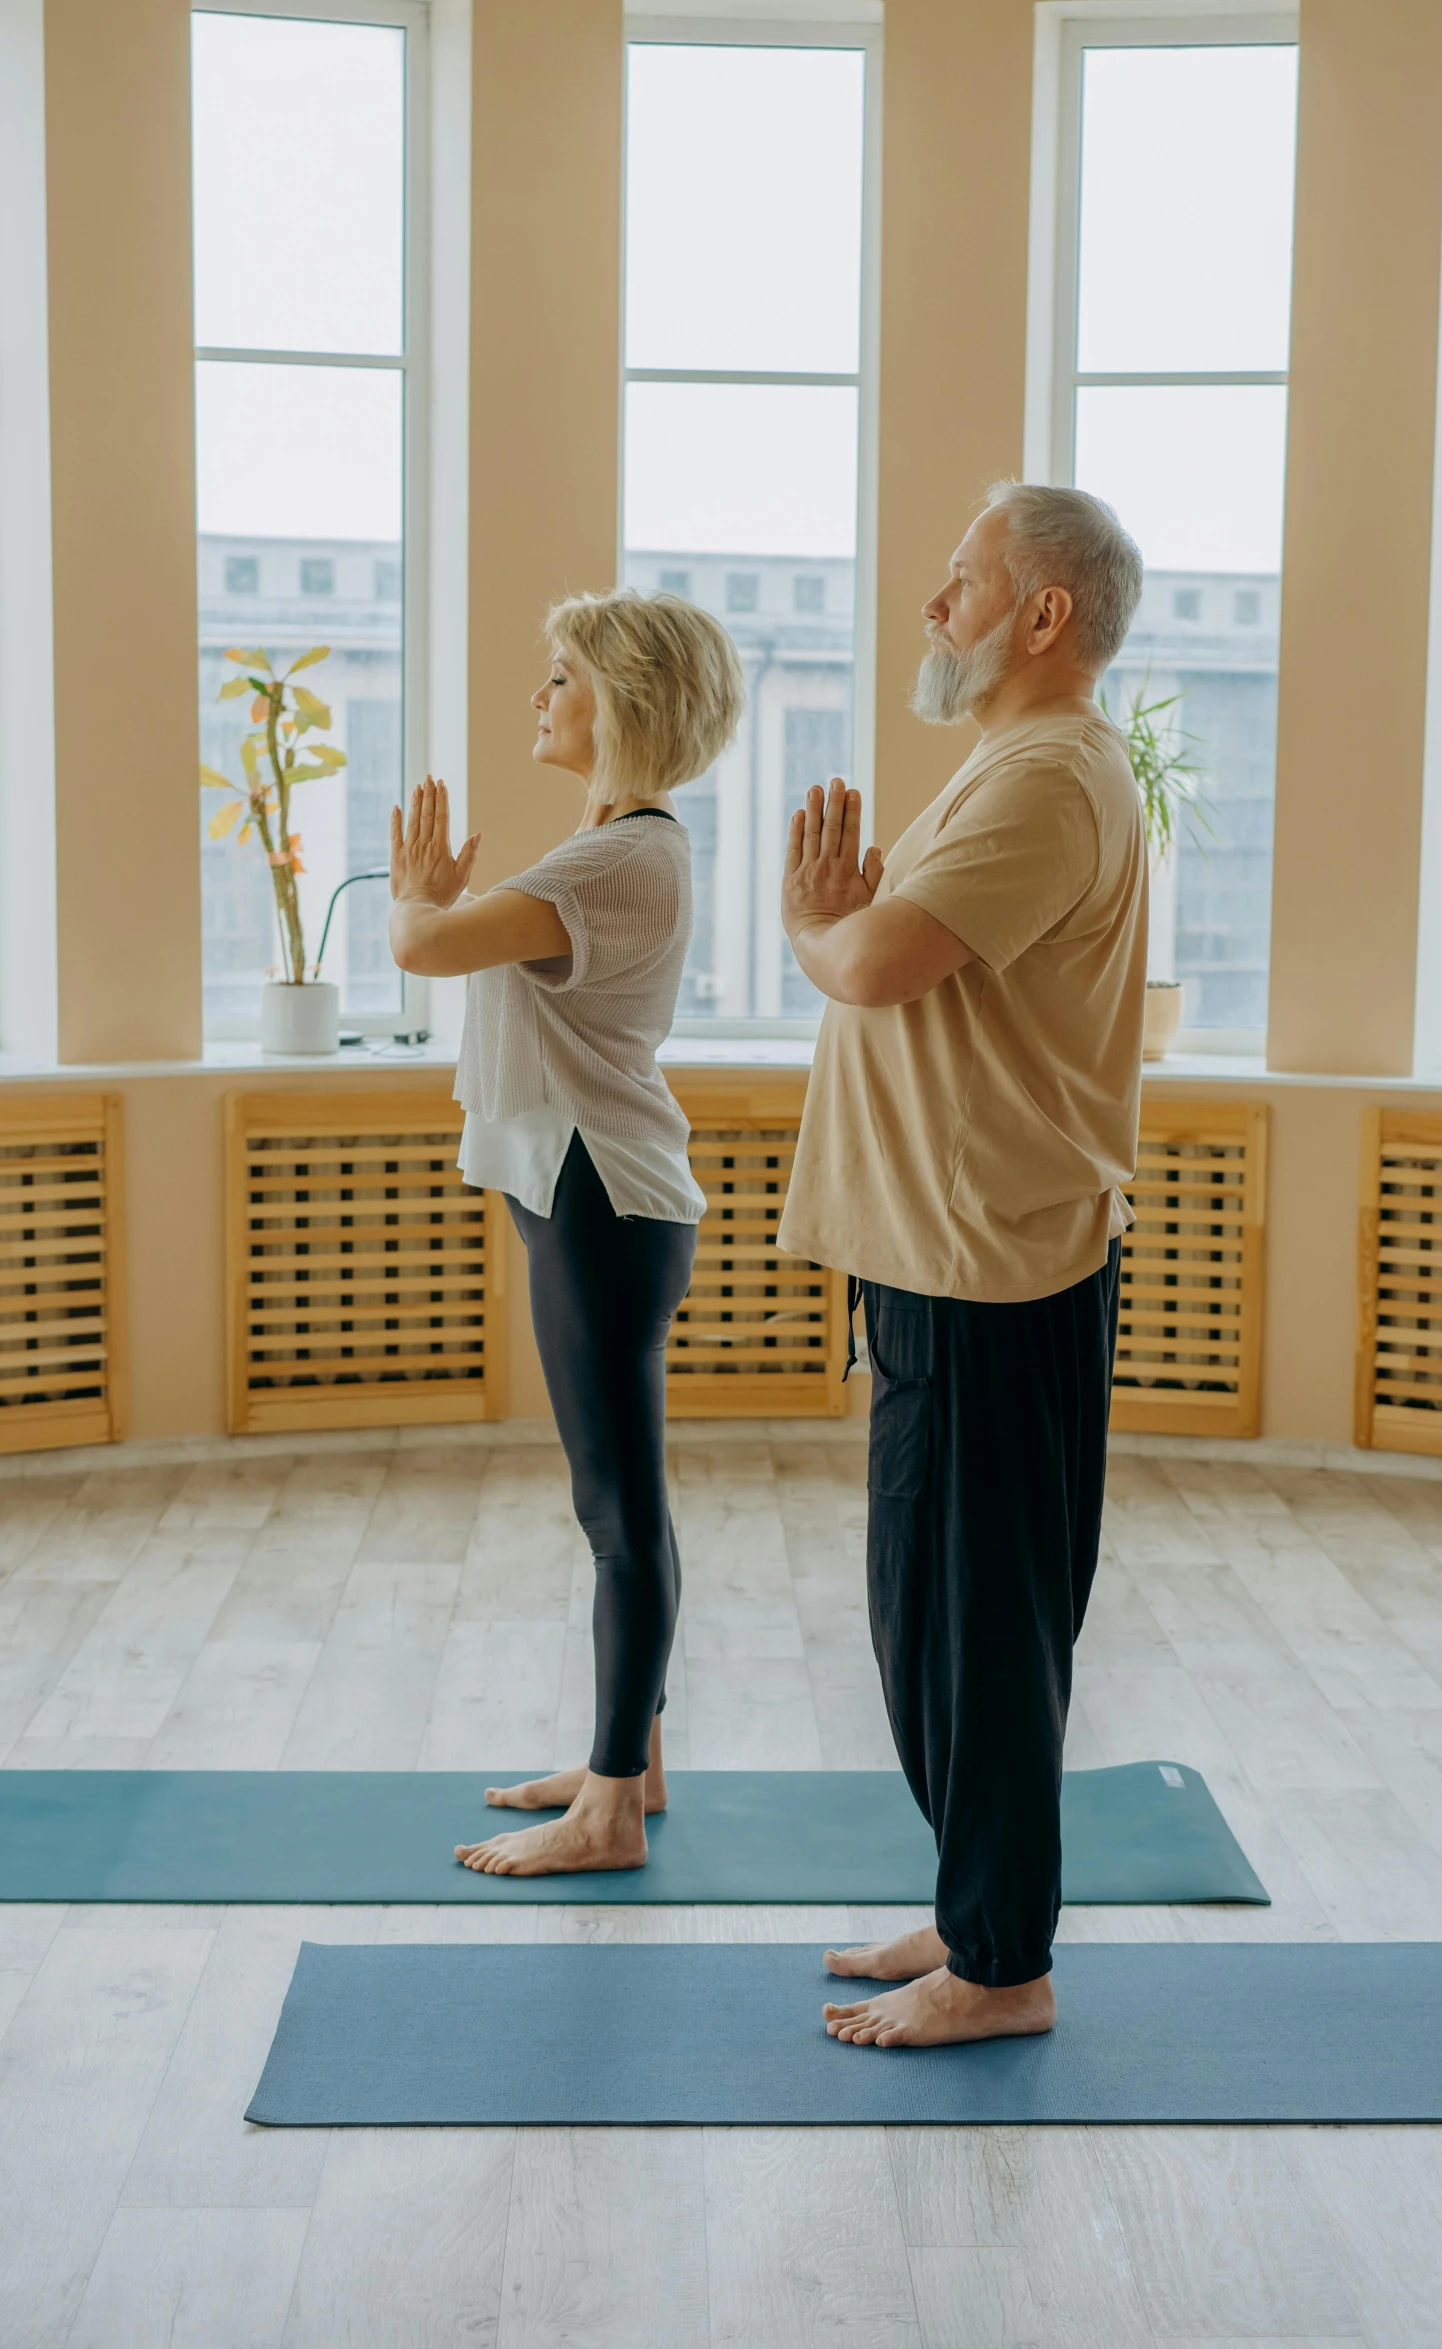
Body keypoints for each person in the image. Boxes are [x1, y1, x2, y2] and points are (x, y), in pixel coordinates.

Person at [777, 481, 1147, 2046]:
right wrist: (845, 925)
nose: (933, 604)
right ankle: (968, 1899)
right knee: (931, 1616)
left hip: (988, 1266)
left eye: (959, 579)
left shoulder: (1047, 776)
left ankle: (1003, 1964)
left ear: (1042, 614)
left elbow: (868, 957)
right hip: (949, 1257)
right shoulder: (1010, 762)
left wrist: (810, 922)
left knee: (978, 1628)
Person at [388, 588, 744, 1876]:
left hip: (603, 1194)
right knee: (621, 1504)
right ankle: (630, 1763)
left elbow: (427, 946)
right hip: (582, 1187)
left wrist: (419, 894)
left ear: (626, 704)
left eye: (562, 676)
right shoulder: (616, 845)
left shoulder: (619, 857)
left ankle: (607, 1806)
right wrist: (435, 904)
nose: (540, 695)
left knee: (617, 1510)